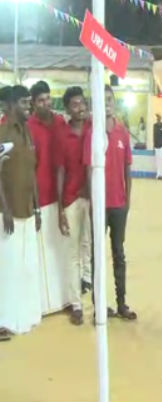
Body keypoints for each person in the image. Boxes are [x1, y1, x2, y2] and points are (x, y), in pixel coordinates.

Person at [83, 85, 137, 320]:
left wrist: (127, 201)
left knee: (118, 254)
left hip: (118, 206)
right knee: (97, 256)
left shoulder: (122, 132)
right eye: (102, 99)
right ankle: (99, 307)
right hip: (99, 206)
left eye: (109, 99)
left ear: (114, 102)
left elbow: (127, 169)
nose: (106, 103)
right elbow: (88, 171)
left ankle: (122, 303)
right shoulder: (93, 134)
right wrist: (93, 203)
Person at [0, 85, 43, 340]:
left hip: (27, 210)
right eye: (25, 102)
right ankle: (2, 321)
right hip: (7, 213)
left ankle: (20, 315)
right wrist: (4, 208)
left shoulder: (27, 132)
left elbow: (31, 172)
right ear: (11, 105)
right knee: (5, 269)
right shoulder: (2, 132)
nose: (30, 106)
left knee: (23, 267)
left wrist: (37, 207)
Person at [27, 80, 70, 316]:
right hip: (41, 198)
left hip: (62, 196)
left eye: (48, 98)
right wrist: (34, 204)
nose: (46, 103)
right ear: (33, 103)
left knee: (62, 250)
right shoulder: (29, 127)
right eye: (41, 100)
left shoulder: (60, 122)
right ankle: (45, 303)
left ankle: (65, 298)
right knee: (44, 253)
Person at [56, 87, 91, 325]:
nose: (80, 107)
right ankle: (76, 305)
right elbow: (60, 170)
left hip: (91, 198)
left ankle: (94, 300)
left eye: (82, 103)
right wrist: (60, 208)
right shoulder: (63, 135)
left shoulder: (92, 129)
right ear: (68, 109)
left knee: (90, 247)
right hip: (70, 199)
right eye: (75, 104)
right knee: (73, 253)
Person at [153, 114, 162, 179]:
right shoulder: (155, 125)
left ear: (160, 118)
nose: (158, 119)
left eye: (159, 117)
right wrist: (153, 145)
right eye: (157, 118)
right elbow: (154, 135)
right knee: (157, 160)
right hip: (156, 145)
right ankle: (158, 174)